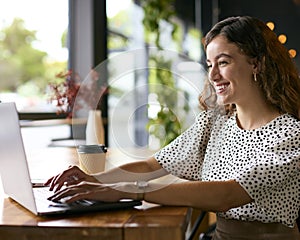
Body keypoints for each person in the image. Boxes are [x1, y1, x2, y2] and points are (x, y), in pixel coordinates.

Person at [46, 16, 300, 239]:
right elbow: (152, 166)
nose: (212, 76)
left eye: (223, 62)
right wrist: (94, 180)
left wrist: (126, 191)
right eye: (210, 64)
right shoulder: (215, 122)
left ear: (256, 64)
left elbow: (229, 194)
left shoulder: (290, 134)